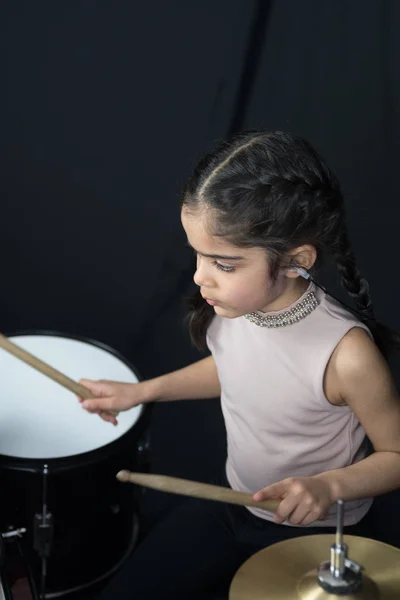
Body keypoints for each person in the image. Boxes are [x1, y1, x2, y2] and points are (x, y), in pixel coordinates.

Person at [79, 131, 400, 600]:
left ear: (296, 261)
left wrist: (329, 485)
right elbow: (233, 367)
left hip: (313, 531)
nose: (199, 276)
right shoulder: (237, 307)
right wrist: (141, 392)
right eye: (198, 254)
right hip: (233, 499)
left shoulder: (347, 355)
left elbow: (395, 457)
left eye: (223, 264)